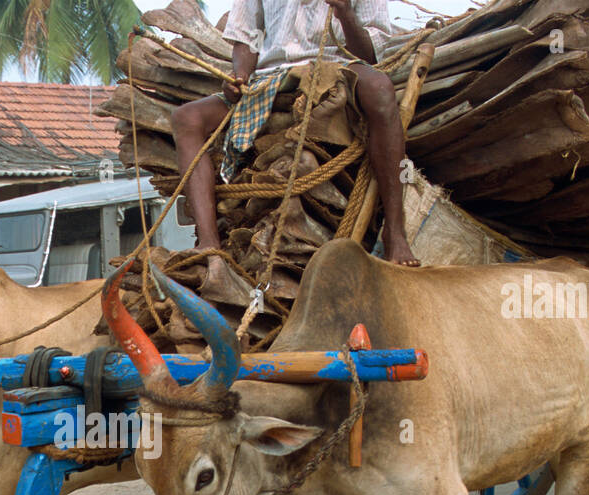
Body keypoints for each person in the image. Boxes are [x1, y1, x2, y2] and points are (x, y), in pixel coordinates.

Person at [171, 0, 420, 303]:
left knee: (380, 88)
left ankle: (395, 232)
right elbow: (246, 38)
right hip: (272, 76)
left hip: (337, 66)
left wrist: (344, 12)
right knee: (185, 118)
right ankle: (209, 245)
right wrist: (240, 76)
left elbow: (368, 56)